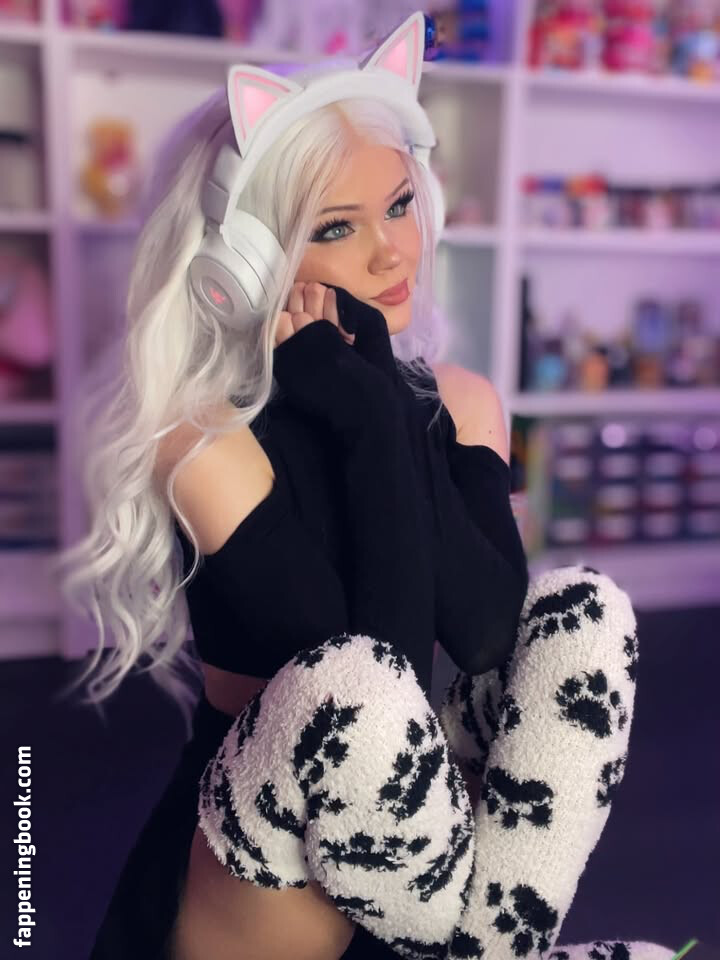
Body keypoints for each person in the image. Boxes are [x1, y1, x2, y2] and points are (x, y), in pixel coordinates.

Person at [54, 11, 675, 960]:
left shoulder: (460, 401)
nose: (392, 251)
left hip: (423, 828)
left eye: (398, 205)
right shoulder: (203, 442)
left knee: (582, 617)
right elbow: (371, 682)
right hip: (270, 831)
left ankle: (483, 939)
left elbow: (484, 634)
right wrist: (374, 420)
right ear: (246, 265)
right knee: (361, 693)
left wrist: (379, 398)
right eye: (337, 227)